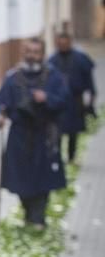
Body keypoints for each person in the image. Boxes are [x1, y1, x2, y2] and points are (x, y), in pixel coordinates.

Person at [0, 38, 68, 227]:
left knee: (43, 179)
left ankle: (38, 217)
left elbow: (63, 101)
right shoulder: (13, 77)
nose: (31, 55)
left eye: (36, 52)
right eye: (28, 51)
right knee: (20, 178)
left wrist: (47, 98)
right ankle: (28, 213)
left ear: (42, 54)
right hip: (19, 136)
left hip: (44, 135)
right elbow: (1, 101)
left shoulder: (53, 76)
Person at [47, 32, 97, 162]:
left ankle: (71, 156)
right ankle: (56, 158)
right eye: (60, 43)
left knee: (73, 131)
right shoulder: (51, 61)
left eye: (65, 43)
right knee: (57, 131)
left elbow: (89, 83)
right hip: (58, 102)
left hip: (75, 101)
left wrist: (90, 102)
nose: (63, 46)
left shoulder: (80, 59)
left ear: (70, 42)